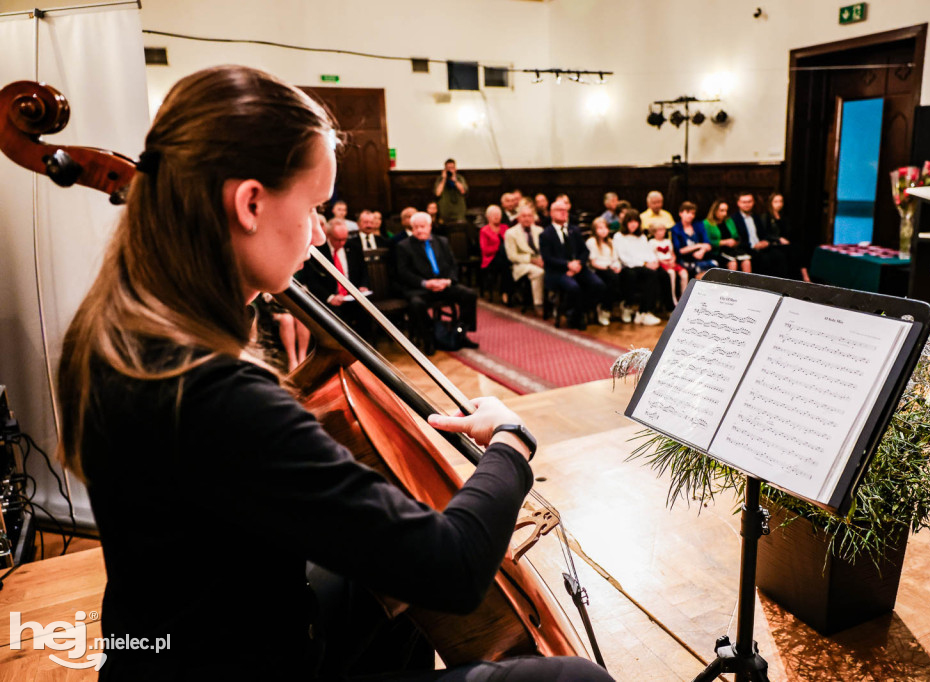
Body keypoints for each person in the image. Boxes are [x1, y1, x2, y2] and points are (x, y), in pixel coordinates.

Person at [56, 65, 611, 682]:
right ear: (250, 203)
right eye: (315, 205)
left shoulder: (113, 330)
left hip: (172, 636)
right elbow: (451, 568)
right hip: (240, 662)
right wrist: (509, 443)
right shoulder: (215, 393)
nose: (319, 232)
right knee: (572, 679)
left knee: (384, 595)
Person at [395, 211, 480, 355]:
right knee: (416, 304)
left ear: (430, 227)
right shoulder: (404, 246)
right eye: (416, 227)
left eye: (423, 226)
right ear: (412, 228)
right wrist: (425, 283)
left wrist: (448, 281)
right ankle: (429, 338)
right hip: (420, 288)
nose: (420, 230)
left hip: (443, 285)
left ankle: (461, 332)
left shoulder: (442, 241)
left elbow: (453, 265)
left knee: (469, 294)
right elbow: (403, 273)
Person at [539, 198, 605, 330]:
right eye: (559, 210)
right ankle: (575, 316)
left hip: (578, 268)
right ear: (552, 213)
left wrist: (579, 264)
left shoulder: (574, 230)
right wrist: (567, 265)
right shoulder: (546, 234)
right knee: (573, 287)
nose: (563, 213)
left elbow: (585, 250)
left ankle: (577, 312)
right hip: (557, 271)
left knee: (598, 285)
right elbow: (548, 258)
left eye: (565, 210)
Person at [613, 209, 661, 326]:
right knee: (632, 275)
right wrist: (645, 263)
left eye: (636, 221)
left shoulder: (642, 237)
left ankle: (644, 312)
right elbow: (624, 257)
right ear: (625, 223)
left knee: (657, 273)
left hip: (642, 266)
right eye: (630, 221)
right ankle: (627, 305)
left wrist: (654, 261)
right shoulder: (619, 236)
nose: (633, 224)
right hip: (627, 267)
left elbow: (649, 253)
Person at [504, 203, 546, 314]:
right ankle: (538, 303)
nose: (527, 218)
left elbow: (544, 249)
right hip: (521, 264)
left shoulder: (540, 230)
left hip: (540, 261)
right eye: (524, 216)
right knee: (539, 272)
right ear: (518, 218)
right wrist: (532, 260)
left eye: (529, 216)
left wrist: (542, 259)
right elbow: (512, 256)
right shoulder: (511, 233)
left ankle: (552, 301)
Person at [732, 192, 786, 277]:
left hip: (761, 247)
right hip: (747, 248)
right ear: (738, 203)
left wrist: (766, 241)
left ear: (753, 202)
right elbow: (737, 239)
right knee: (765, 260)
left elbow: (763, 234)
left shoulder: (756, 217)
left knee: (779, 255)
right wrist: (753, 246)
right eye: (744, 202)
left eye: (749, 202)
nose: (747, 204)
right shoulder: (734, 219)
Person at [584, 217, 623, 326]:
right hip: (598, 269)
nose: (603, 230)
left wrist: (617, 266)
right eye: (600, 228)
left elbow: (615, 259)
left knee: (622, 276)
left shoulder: (610, 242)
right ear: (594, 230)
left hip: (610, 267)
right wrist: (608, 267)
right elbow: (593, 262)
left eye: (605, 228)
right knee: (611, 278)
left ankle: (620, 306)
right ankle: (604, 308)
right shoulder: (591, 242)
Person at [763, 192, 805, 281]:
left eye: (780, 201)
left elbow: (788, 232)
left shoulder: (783, 217)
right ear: (771, 203)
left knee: (798, 249)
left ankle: (804, 277)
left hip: (784, 244)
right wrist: (778, 239)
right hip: (773, 244)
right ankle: (786, 281)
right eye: (776, 202)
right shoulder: (766, 216)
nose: (779, 204)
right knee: (782, 256)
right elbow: (765, 233)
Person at [671, 201, 717, 281]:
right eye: (688, 212)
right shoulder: (676, 229)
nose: (691, 216)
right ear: (680, 213)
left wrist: (702, 251)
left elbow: (708, 245)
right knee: (700, 272)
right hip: (685, 259)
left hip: (701, 257)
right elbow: (680, 250)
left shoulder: (698, 225)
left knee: (714, 265)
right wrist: (698, 245)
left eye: (693, 213)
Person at [702, 198, 750, 273]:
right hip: (717, 252)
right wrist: (724, 242)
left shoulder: (728, 221)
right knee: (732, 263)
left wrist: (735, 242)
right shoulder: (707, 223)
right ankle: (731, 284)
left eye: (726, 211)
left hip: (732, 250)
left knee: (746, 262)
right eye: (722, 211)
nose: (725, 213)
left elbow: (736, 236)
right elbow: (707, 242)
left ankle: (747, 284)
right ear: (715, 211)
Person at [479, 205, 511, 302]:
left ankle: (507, 292)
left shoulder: (505, 228)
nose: (497, 217)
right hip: (491, 259)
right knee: (504, 260)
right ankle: (505, 293)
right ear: (488, 217)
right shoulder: (484, 230)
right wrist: (498, 248)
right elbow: (485, 250)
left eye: (498, 215)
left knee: (506, 263)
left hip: (506, 257)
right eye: (494, 215)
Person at [650, 224, 686, 307]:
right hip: (661, 263)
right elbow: (653, 255)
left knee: (684, 273)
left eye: (663, 230)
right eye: (659, 230)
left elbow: (672, 253)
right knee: (671, 273)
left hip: (670, 261)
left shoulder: (667, 241)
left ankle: (683, 298)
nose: (662, 232)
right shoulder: (652, 242)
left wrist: (672, 260)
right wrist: (663, 262)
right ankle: (672, 298)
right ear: (654, 232)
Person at [433, 158, 468, 224]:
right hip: (445, 214)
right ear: (445, 169)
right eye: (448, 168)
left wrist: (455, 180)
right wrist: (444, 179)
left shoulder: (460, 178)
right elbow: (437, 193)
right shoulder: (440, 179)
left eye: (452, 168)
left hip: (459, 214)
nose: (450, 170)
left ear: (455, 169)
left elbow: (463, 191)